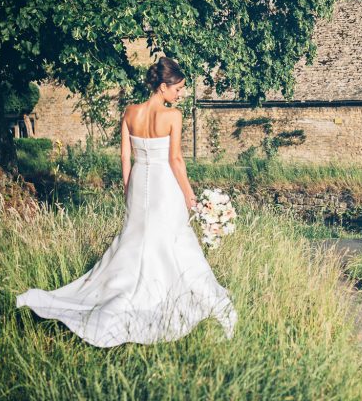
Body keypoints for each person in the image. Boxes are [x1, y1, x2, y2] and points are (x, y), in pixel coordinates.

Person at [16, 56, 237, 347]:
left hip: (138, 183)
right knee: (171, 241)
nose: (181, 94)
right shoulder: (174, 116)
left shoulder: (130, 112)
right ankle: (169, 297)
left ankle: (123, 292)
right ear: (163, 86)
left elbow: (125, 157)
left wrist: (128, 190)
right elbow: (176, 160)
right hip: (164, 185)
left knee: (137, 241)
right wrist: (190, 197)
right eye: (178, 88)